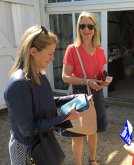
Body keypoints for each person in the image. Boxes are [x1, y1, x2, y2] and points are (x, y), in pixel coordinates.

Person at [4, 25, 82, 165]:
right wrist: (64, 117)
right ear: (33, 51)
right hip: (27, 150)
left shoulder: (39, 75)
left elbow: (45, 101)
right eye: (50, 53)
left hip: (41, 142)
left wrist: (74, 98)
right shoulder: (19, 84)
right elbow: (28, 129)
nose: (53, 59)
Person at [62, 11, 110, 165]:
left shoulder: (100, 50)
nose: (86, 30)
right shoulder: (72, 49)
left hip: (96, 94)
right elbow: (65, 77)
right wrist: (86, 81)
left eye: (90, 26)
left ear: (95, 29)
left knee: (93, 130)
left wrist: (104, 81)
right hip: (78, 95)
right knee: (78, 134)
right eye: (82, 26)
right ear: (78, 28)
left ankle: (92, 160)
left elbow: (100, 74)